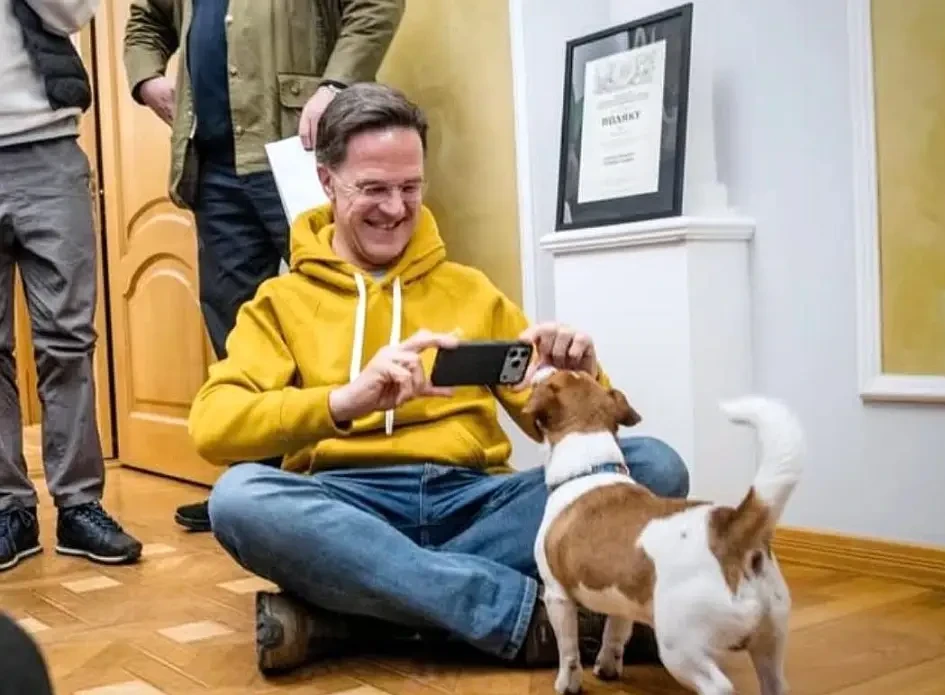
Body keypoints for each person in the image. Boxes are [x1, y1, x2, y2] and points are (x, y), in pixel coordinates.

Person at [191, 82, 691, 673]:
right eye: (373, 189)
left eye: (410, 187)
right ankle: (505, 609)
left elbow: (546, 422)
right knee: (240, 498)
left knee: (654, 465)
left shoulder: (470, 289)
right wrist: (343, 401)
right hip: (349, 508)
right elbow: (212, 427)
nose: (395, 209)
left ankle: (364, 610)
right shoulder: (280, 302)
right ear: (326, 182)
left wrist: (582, 379)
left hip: (477, 503)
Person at [122, 0, 406, 533]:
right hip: (212, 165)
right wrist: (146, 79)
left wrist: (336, 85)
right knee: (235, 325)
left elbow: (377, 6)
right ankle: (257, 485)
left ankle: (362, 480)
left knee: (342, 308)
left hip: (300, 150)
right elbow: (146, 19)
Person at [1, 0, 143, 573]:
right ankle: (8, 509)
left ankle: (80, 505)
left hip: (48, 149)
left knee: (67, 338)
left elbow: (72, 14)